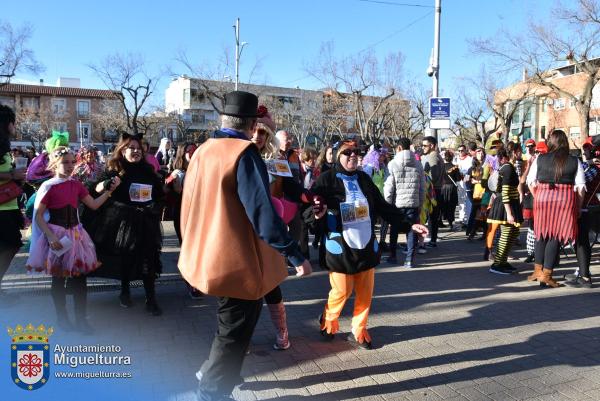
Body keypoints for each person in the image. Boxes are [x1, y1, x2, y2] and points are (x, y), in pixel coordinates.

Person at [177, 91, 312, 401]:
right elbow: (263, 214)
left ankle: (220, 381)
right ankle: (211, 392)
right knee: (233, 334)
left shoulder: (203, 150)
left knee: (230, 328)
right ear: (252, 125)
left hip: (208, 251)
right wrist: (294, 254)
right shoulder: (243, 153)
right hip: (237, 260)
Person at [307, 140, 428, 350]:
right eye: (347, 152)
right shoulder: (326, 180)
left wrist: (410, 225)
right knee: (341, 291)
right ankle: (328, 319)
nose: (353, 155)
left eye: (356, 152)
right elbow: (308, 207)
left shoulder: (364, 178)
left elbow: (383, 207)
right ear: (337, 156)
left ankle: (359, 329)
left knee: (365, 293)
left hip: (366, 245)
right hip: (340, 247)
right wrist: (316, 214)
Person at [26, 147, 120, 333]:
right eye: (65, 162)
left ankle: (81, 319)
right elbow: (38, 216)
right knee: (59, 279)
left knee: (79, 279)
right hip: (57, 236)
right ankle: (62, 317)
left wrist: (110, 191)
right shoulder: (49, 187)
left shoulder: (76, 185)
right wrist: (51, 236)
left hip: (76, 236)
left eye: (72, 162)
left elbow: (93, 205)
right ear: (54, 164)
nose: (70, 166)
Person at [83, 133, 165, 315]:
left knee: (149, 259)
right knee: (127, 259)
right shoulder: (116, 169)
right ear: (122, 150)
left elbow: (159, 195)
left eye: (138, 148)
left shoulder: (148, 170)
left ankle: (151, 298)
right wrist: (106, 184)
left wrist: (154, 206)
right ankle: (125, 291)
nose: (136, 151)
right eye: (131, 148)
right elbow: (94, 188)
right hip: (123, 222)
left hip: (146, 221)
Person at [526, 130, 585, 287]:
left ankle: (537, 270)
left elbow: (530, 181)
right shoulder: (574, 160)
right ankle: (547, 275)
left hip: (542, 198)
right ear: (565, 142)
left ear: (550, 142)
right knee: (555, 236)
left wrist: (538, 195)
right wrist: (578, 207)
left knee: (541, 234)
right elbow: (580, 188)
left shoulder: (540, 158)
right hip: (564, 201)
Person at [383, 137, 426, 268]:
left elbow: (389, 188)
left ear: (399, 148)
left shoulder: (392, 164)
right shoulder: (418, 164)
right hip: (413, 203)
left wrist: (387, 204)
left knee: (394, 230)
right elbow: (422, 187)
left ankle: (393, 256)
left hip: (397, 205)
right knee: (412, 231)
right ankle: (409, 260)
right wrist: (420, 203)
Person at [565, 137, 600, 288]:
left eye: (587, 148)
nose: (584, 151)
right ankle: (583, 273)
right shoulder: (589, 165)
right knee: (581, 242)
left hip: (588, 208)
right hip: (586, 208)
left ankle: (585, 276)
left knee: (582, 242)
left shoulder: (595, 168)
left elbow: (581, 180)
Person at [0, 105, 26, 286]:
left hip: (9, 204)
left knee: (11, 244)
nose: (15, 126)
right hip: (1, 208)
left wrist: (17, 177)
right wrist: (11, 175)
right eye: (13, 122)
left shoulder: (4, 146)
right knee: (11, 244)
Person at [486, 148, 523, 274]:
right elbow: (505, 192)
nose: (519, 154)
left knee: (513, 232)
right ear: (509, 155)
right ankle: (497, 265)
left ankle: (503, 261)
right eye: (517, 152)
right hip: (505, 205)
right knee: (506, 234)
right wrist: (509, 213)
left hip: (511, 204)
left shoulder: (507, 167)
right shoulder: (507, 168)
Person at [420, 136, 444, 247]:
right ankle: (432, 238)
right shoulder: (433, 156)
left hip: (433, 191)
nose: (423, 147)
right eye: (422, 145)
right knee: (432, 216)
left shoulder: (433, 157)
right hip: (435, 190)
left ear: (432, 146)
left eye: (425, 145)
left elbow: (433, 177)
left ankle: (432, 240)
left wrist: (424, 175)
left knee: (432, 215)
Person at [440, 150, 461, 231]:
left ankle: (442, 220)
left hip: (443, 187)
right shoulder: (455, 167)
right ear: (452, 158)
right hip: (452, 187)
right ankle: (451, 223)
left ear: (445, 157)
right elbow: (458, 179)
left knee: (444, 204)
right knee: (451, 206)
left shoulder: (441, 167)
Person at [456, 144, 473, 227]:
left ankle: (468, 218)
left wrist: (465, 179)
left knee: (468, 200)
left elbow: (470, 171)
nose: (460, 152)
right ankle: (461, 218)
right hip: (459, 182)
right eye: (459, 150)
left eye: (462, 150)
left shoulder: (469, 159)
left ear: (465, 150)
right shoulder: (456, 159)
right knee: (461, 200)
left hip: (466, 181)